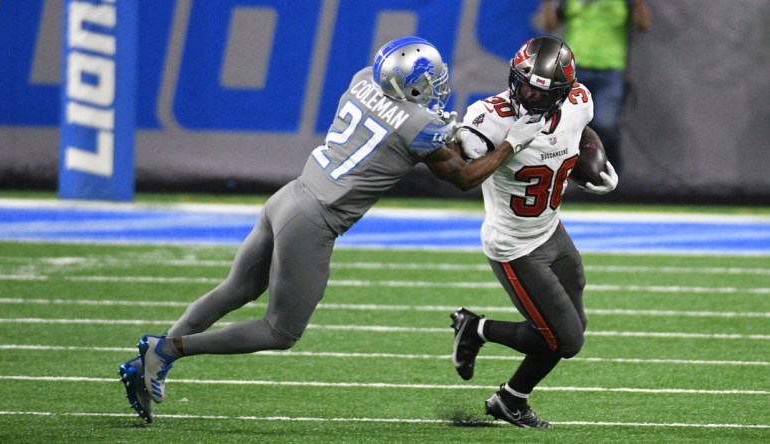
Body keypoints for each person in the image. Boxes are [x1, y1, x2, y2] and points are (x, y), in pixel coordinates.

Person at [117, 35, 549, 423]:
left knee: (235, 289)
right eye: (430, 81)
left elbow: (402, 127)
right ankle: (168, 349)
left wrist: (443, 132)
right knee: (280, 331)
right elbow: (464, 176)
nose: (438, 87)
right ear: (412, 85)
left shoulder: (364, 78)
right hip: (314, 220)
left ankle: (150, 361)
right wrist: (515, 141)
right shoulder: (420, 126)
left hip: (290, 195)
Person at [449, 35, 618, 428]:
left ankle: (511, 399)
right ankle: (476, 329)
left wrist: (595, 164)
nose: (529, 94)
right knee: (566, 339)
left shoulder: (577, 100)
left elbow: (583, 131)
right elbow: (464, 177)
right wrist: (509, 143)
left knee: (572, 324)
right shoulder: (487, 118)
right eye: (524, 84)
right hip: (514, 245)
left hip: (551, 230)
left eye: (542, 92)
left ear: (563, 92)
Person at [535, 0, 651, 173]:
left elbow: (643, 25)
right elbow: (548, 25)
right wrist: (547, 4)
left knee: (605, 124)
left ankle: (611, 171)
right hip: (574, 71)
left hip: (610, 69)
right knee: (568, 126)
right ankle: (567, 176)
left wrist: (639, 5)